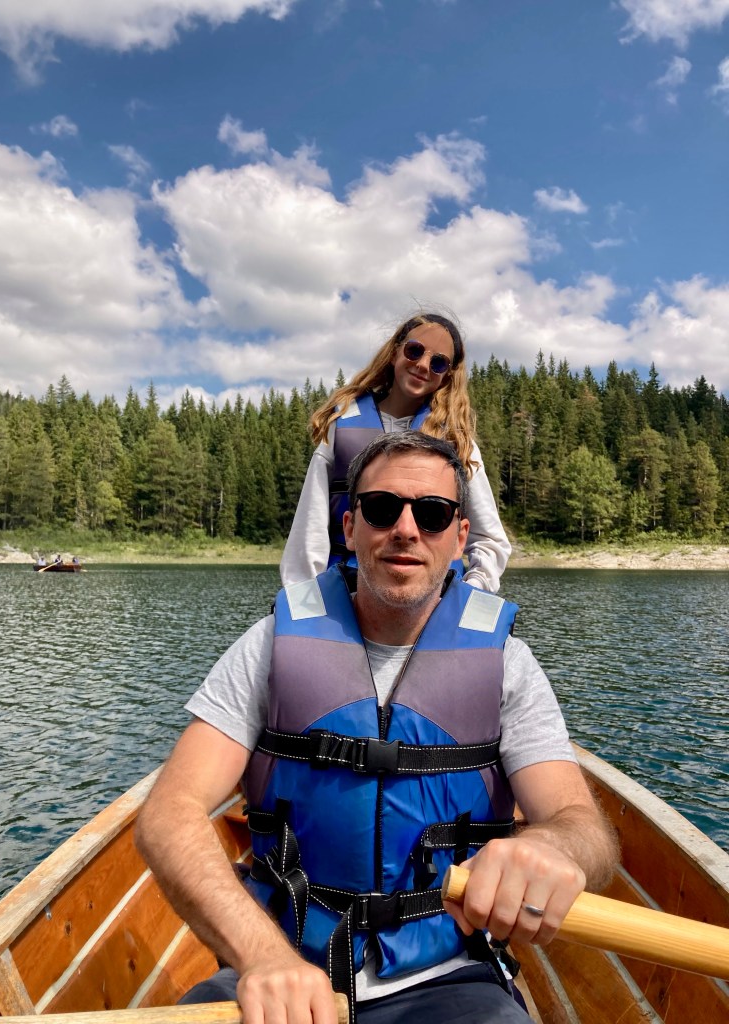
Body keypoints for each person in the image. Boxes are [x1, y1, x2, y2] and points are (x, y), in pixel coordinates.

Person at [136, 432, 618, 1024]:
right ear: (349, 526)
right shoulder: (267, 647)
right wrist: (262, 956)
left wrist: (552, 845)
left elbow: (583, 828)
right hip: (277, 972)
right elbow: (169, 810)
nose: (407, 530)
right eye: (382, 508)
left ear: (460, 536)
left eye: (433, 513)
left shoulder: (507, 665)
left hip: (450, 980)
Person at [280, 311, 511, 593]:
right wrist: (303, 598)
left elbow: (489, 539)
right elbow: (309, 532)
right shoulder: (339, 430)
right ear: (394, 353)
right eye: (414, 351)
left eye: (438, 362)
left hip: (430, 597)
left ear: (447, 376)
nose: (424, 365)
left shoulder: (457, 441)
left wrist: (472, 590)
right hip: (346, 592)